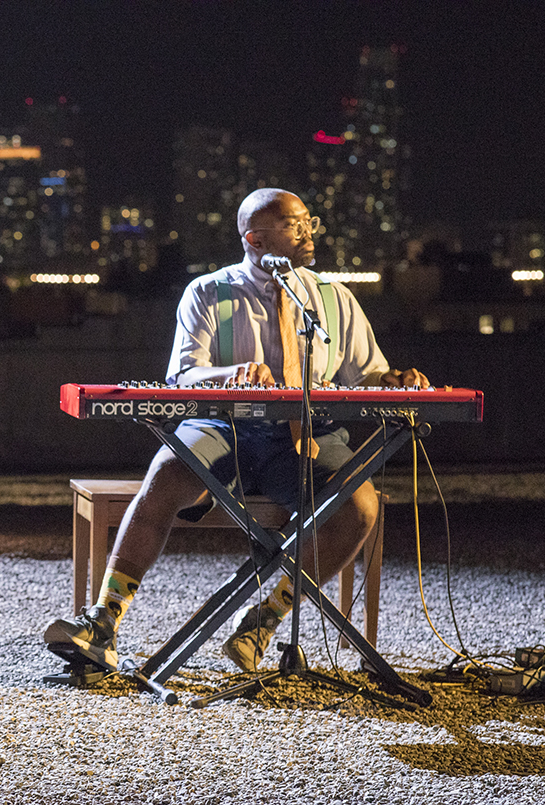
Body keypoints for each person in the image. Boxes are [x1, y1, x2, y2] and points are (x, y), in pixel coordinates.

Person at [44, 188, 428, 674]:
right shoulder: (208, 292)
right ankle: (103, 624)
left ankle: (264, 620)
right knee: (165, 475)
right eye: (294, 225)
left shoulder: (332, 299)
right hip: (225, 426)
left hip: (306, 436)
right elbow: (183, 376)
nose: (308, 231)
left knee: (359, 508)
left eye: (308, 221)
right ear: (254, 238)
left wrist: (393, 382)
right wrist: (231, 375)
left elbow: (367, 373)